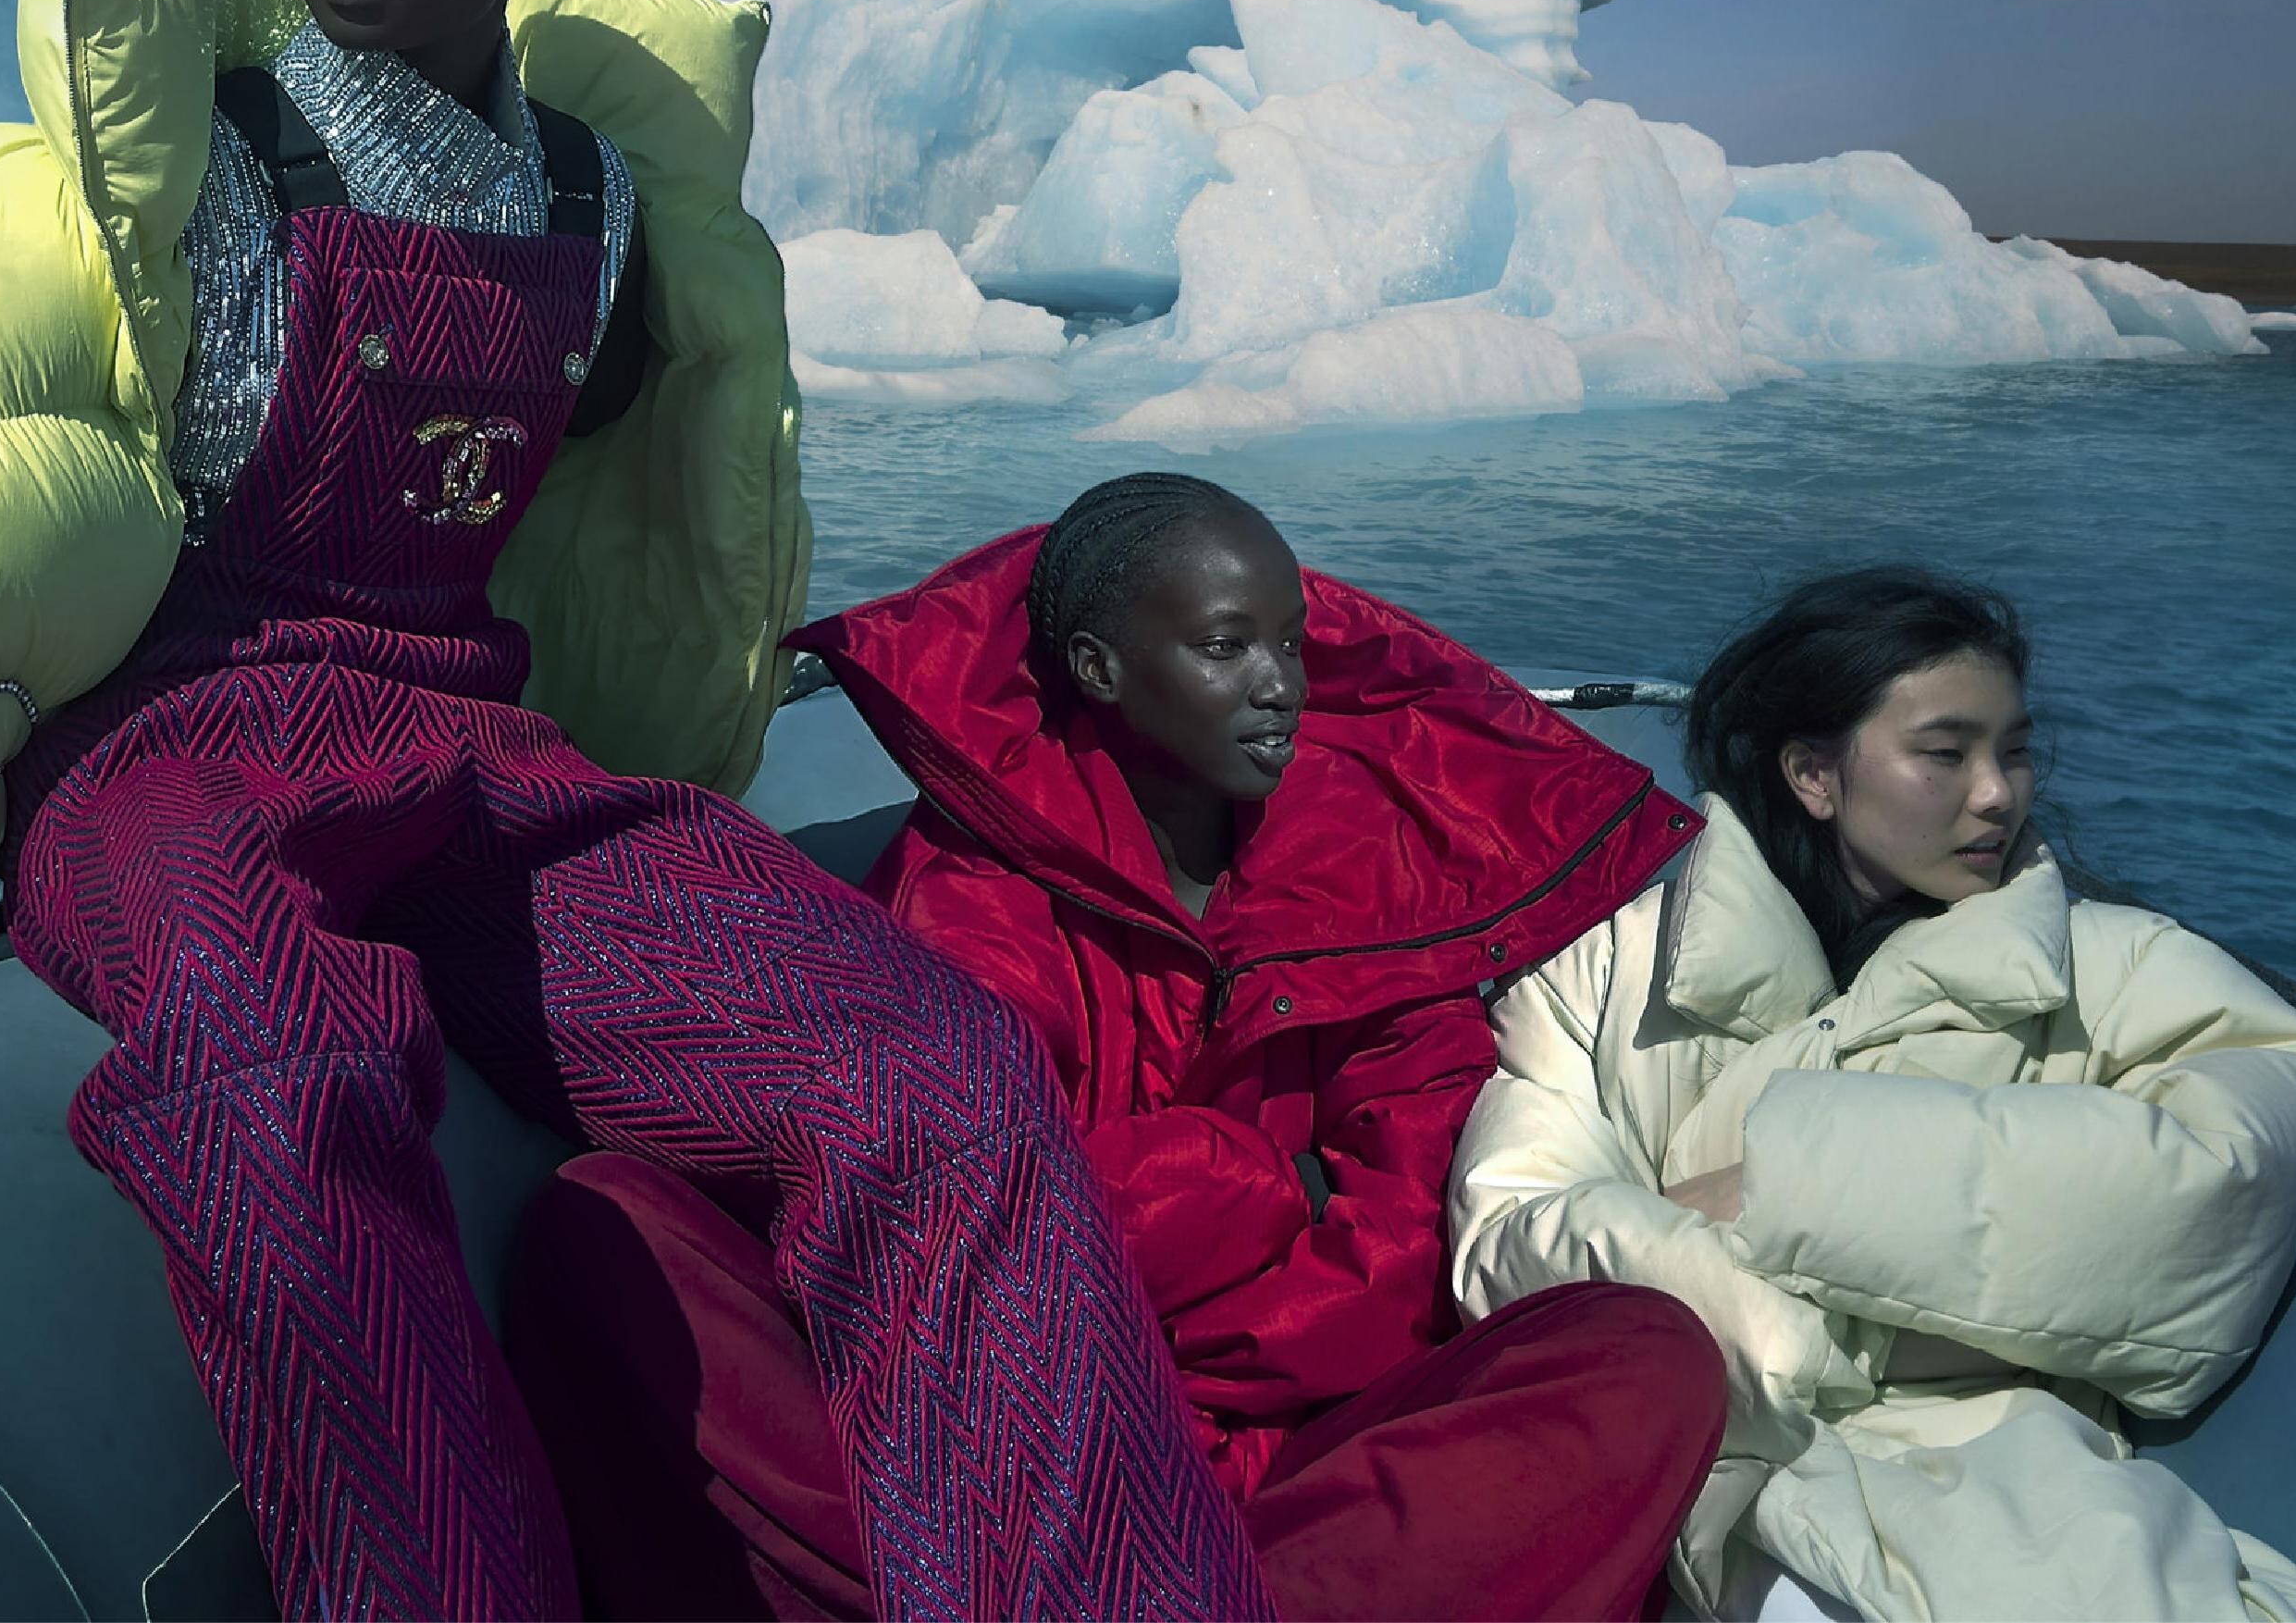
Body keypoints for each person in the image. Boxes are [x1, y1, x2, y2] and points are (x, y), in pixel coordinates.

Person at [0, 0, 1271, 1621]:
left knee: (925, 1062)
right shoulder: (217, 155)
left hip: (464, 741)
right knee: (264, 1068)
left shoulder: (588, 206)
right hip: (178, 745)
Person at [508, 472, 1732, 1620]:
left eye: (1291, 644)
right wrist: (1255, 1185)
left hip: (1301, 1450)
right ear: (1099, 667)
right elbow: (976, 1241)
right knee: (603, 1223)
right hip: (998, 1456)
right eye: (1225, 646)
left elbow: (1409, 1237)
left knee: (1646, 1353)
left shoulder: (1367, 874)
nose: (1279, 685)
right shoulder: (967, 895)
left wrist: (1203, 1298)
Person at [1445, 566, 2296, 1621]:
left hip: (2001, 1469)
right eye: (1946, 753)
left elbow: (2223, 1184)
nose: (1998, 792)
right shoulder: (1611, 972)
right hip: (1702, 1459)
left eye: (2015, 750)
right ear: (1813, 774)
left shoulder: (2117, 968)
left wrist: (1793, 1184)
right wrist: (1786, 1338)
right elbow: (1512, 1231)